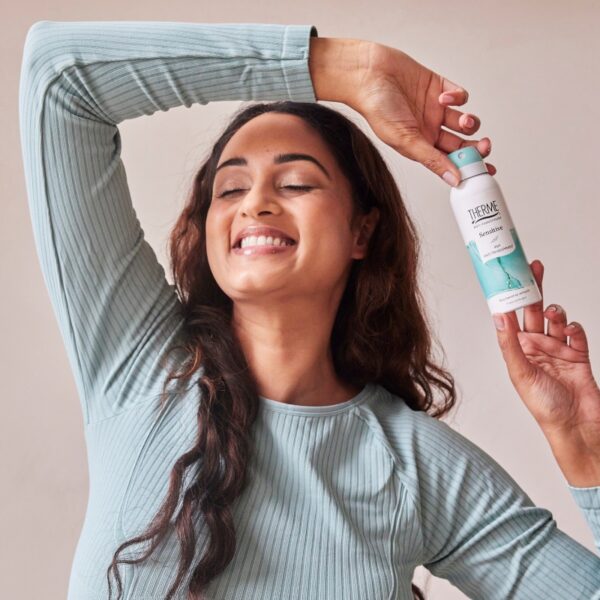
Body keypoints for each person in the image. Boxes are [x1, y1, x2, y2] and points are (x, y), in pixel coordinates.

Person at [18, 20, 600, 600]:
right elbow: (59, 78)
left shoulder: (417, 468)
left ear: (361, 232)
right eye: (229, 189)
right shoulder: (139, 365)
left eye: (295, 183)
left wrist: (584, 447)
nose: (256, 204)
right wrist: (347, 70)